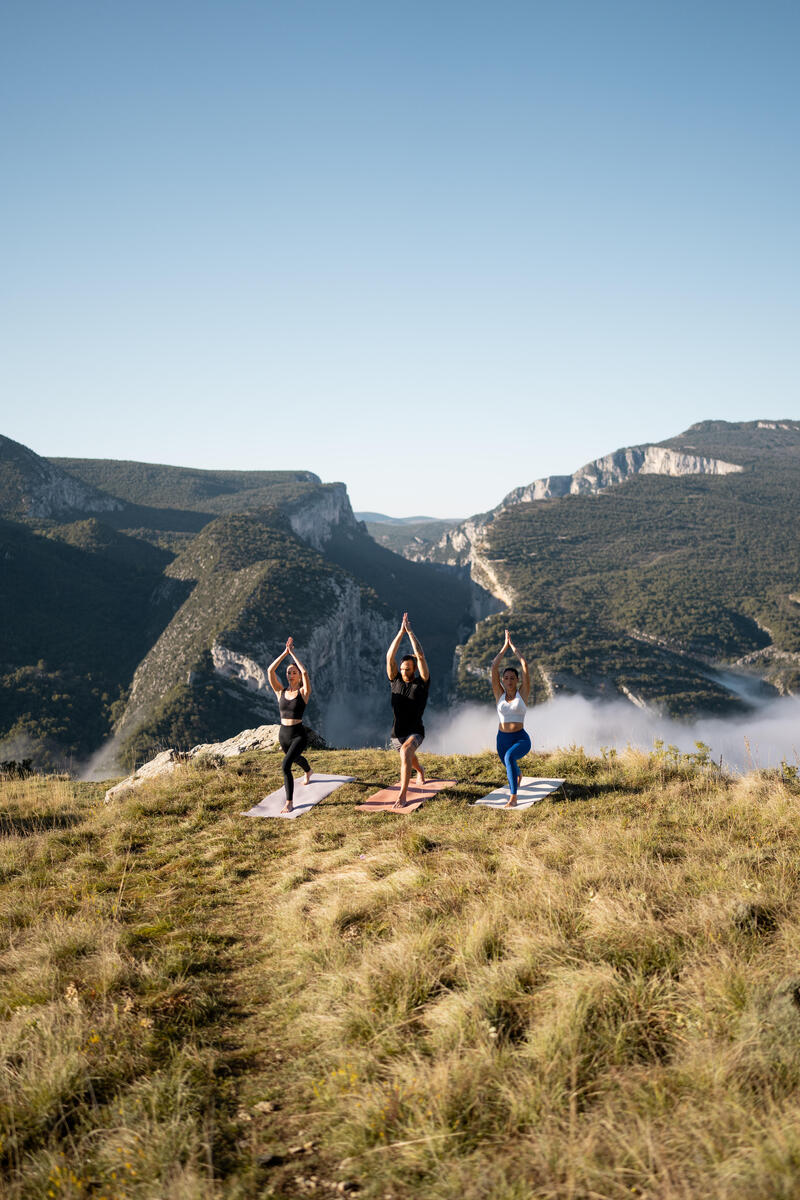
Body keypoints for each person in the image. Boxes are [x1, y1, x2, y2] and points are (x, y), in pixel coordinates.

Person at [386, 612, 430, 809]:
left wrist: (410, 633)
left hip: (415, 731)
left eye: (408, 669)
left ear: (414, 669)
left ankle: (403, 795)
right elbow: (389, 657)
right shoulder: (394, 680)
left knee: (405, 752)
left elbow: (420, 656)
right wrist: (400, 633)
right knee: (409, 757)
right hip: (396, 733)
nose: (404, 672)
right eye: (402, 669)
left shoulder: (422, 683)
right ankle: (420, 771)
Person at [267, 637, 313, 814]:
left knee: (285, 765)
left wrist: (293, 654)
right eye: (288, 672)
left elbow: (306, 673)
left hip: (298, 734)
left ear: (298, 676)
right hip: (283, 734)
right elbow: (270, 670)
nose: (290, 674)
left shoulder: (303, 692)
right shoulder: (280, 691)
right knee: (294, 758)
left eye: (294, 672)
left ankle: (289, 802)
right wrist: (284, 653)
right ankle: (308, 771)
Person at [491, 629, 531, 807]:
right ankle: (518, 774)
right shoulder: (499, 694)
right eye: (506, 678)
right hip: (502, 738)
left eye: (512, 678)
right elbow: (494, 666)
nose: (509, 681)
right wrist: (504, 647)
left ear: (517, 680)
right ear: (502, 680)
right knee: (508, 762)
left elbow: (525, 665)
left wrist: (513, 647)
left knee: (509, 758)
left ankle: (513, 798)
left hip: (520, 738)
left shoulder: (523, 694)